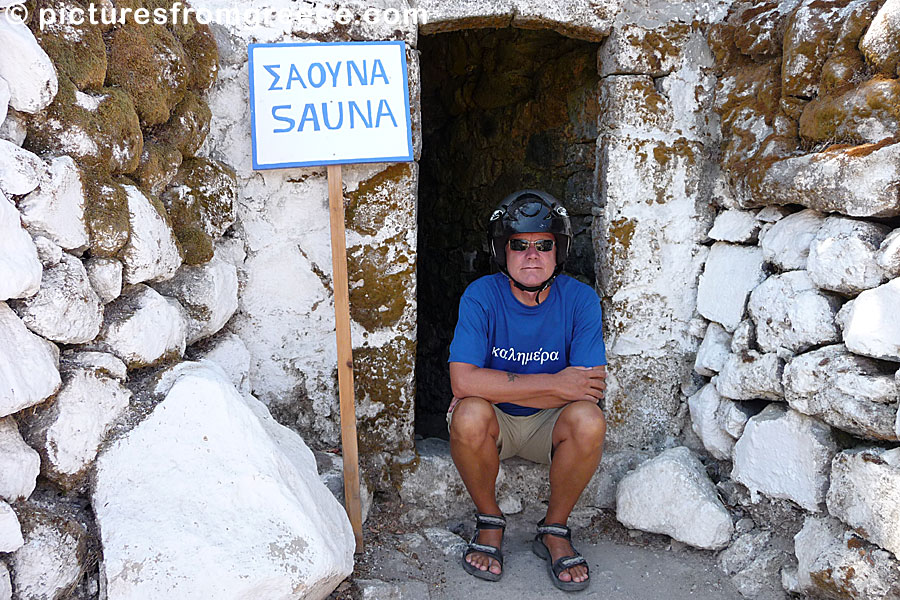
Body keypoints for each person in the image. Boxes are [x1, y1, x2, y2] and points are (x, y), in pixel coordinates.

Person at [447, 189, 608, 592]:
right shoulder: (481, 296)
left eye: (543, 245)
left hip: (548, 426)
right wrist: (557, 384)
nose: (531, 255)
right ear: (502, 252)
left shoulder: (581, 300)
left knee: (589, 421)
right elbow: (463, 382)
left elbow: (588, 390)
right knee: (468, 414)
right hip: (496, 423)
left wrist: (497, 385)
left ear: (559, 251)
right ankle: (489, 521)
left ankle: (554, 529)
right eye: (519, 245)